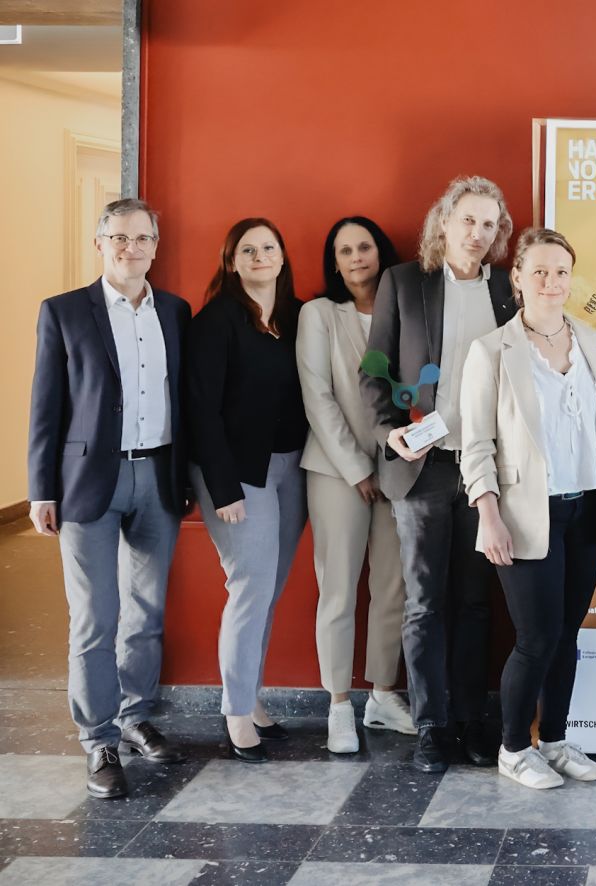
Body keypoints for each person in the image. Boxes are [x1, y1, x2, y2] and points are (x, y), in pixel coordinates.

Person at [460, 228, 596, 788]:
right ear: (518, 279)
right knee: (536, 639)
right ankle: (511, 749)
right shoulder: (491, 351)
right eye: (540, 272)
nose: (552, 282)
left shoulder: (593, 343)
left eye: (561, 272)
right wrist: (489, 515)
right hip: (525, 516)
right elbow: (476, 445)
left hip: (587, 510)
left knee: (568, 634)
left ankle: (553, 741)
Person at [28, 198, 191, 798]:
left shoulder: (175, 311)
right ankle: (98, 740)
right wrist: (40, 489)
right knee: (95, 617)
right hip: (86, 482)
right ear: (100, 243)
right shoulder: (65, 311)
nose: (131, 247)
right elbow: (46, 405)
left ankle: (134, 716)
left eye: (142, 237)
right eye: (119, 237)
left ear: (155, 246)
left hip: (159, 475)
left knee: (146, 611)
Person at [361, 175, 517, 772]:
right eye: (467, 220)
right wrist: (388, 432)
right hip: (421, 466)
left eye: (488, 224)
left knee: (477, 602)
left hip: (486, 467)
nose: (477, 233)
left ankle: (472, 719)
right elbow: (374, 371)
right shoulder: (405, 282)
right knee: (425, 602)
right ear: (444, 223)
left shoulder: (507, 289)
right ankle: (430, 725)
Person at [186, 218, 308, 763]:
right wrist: (223, 488)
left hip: (292, 468)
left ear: (282, 256)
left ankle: (250, 696)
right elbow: (201, 411)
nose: (260, 256)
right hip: (237, 475)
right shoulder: (216, 322)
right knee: (250, 587)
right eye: (248, 250)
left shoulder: (297, 317)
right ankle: (236, 711)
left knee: (268, 589)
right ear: (231, 262)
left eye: (269, 247)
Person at [298, 216, 415, 754]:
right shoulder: (320, 314)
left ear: (380, 252)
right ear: (335, 261)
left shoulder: (407, 310)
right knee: (339, 588)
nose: (356, 258)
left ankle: (383, 696)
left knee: (393, 586)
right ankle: (339, 705)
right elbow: (318, 397)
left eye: (364, 247)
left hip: (399, 468)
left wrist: (389, 464)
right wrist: (357, 469)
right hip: (336, 471)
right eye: (344, 250)